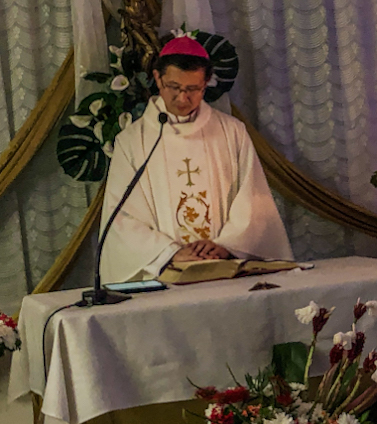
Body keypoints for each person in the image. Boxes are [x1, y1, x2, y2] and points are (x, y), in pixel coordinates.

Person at [100, 36, 293, 283]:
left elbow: (253, 200)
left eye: (193, 89)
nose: (183, 98)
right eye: (174, 87)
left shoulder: (231, 132)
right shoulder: (131, 142)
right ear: (158, 78)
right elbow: (121, 216)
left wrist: (227, 244)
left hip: (226, 271)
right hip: (167, 274)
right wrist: (171, 252)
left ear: (205, 85)